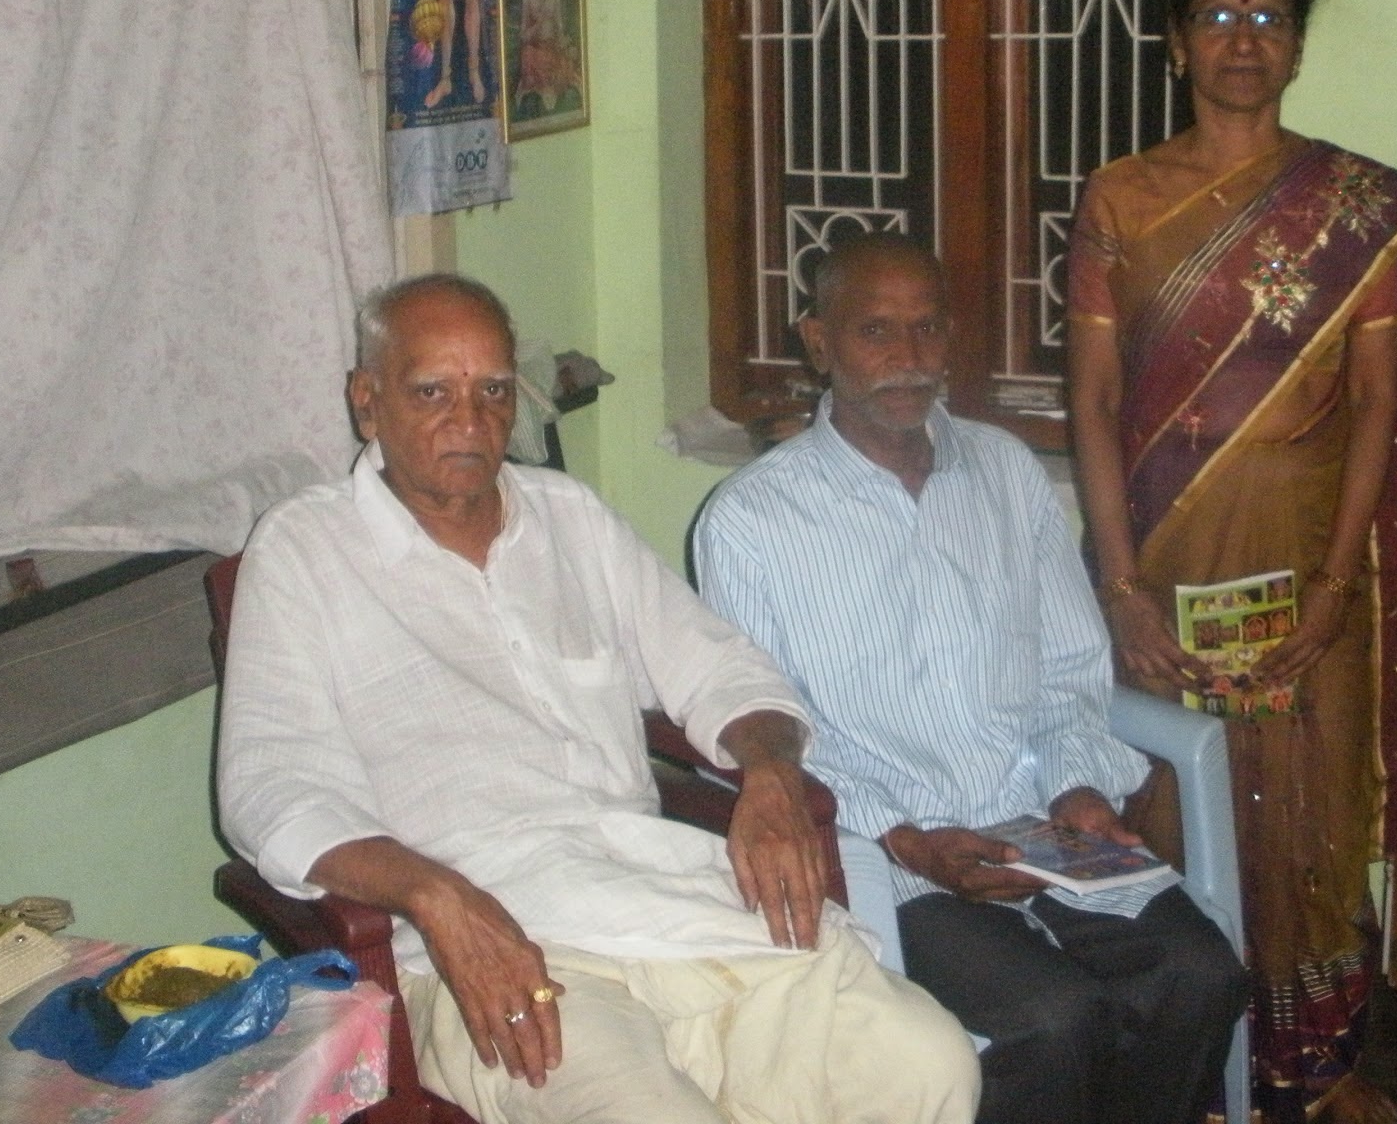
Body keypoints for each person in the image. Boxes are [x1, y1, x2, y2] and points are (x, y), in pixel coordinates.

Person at [216, 273, 979, 1124]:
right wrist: (434, 894)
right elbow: (271, 789)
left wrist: (768, 773)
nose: (470, 420)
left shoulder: (568, 518)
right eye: (432, 391)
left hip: (666, 903)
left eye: (493, 390)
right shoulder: (305, 550)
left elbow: (727, 669)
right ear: (368, 402)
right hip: (492, 949)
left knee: (927, 1062)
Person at [1065, 0, 1397, 1124]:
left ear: (1297, 46)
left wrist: (1331, 590)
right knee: (1168, 802)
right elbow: (1092, 402)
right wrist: (1120, 591)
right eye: (1217, 15)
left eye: (1266, 17)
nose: (1242, 39)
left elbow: (1374, 406)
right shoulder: (1118, 197)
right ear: (1175, 43)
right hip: (1162, 562)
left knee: (1309, 810)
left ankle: (1310, 1065)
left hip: (1308, 565)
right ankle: (1185, 1061)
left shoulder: (1355, 209)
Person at [694, 237, 1248, 1124]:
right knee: (1053, 1021)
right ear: (819, 342)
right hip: (891, 854)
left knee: (1200, 975)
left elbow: (1068, 668)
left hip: (1040, 825)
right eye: (876, 331)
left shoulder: (1005, 471)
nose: (908, 357)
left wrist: (1076, 786)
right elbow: (773, 730)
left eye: (927, 328)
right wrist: (911, 840)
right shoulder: (751, 520)